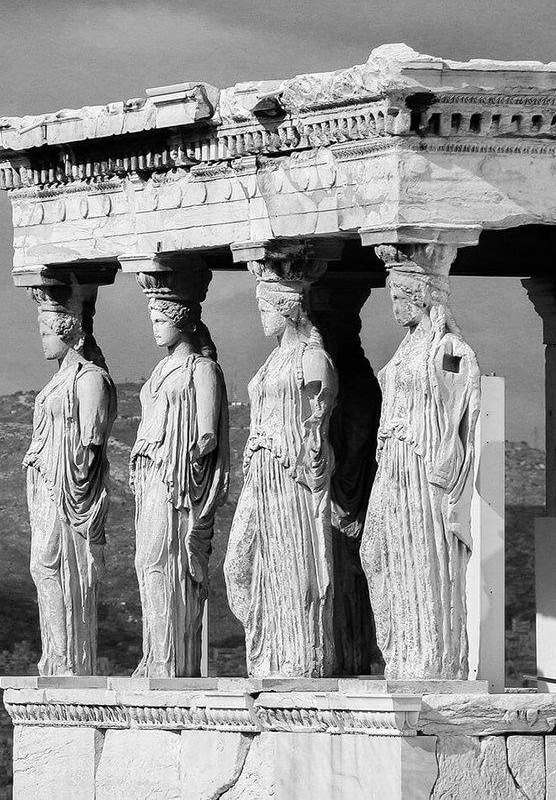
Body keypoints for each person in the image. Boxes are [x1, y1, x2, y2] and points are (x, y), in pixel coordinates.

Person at [360, 248, 480, 680]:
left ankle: (428, 660)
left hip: (421, 464)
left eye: (399, 297)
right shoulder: (407, 348)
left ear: (422, 297)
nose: (393, 306)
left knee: (421, 558)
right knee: (374, 552)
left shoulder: (446, 347)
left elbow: (465, 395)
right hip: (392, 463)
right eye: (391, 296)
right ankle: (403, 653)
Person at [225, 274, 338, 677]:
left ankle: (296, 658)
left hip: (289, 473)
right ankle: (266, 649)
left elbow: (319, 424)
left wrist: (309, 459)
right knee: (238, 565)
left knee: (292, 566)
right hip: (260, 472)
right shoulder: (272, 360)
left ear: (286, 309)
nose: (261, 319)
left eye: (265, 310)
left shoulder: (311, 359)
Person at [131, 271, 228, 678]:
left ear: (181, 319)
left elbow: (207, 432)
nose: (154, 328)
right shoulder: (159, 372)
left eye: (159, 320)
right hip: (152, 475)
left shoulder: (201, 370)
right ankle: (155, 654)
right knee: (145, 562)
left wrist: (186, 458)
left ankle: (171, 661)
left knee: (163, 561)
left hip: (178, 480)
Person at [23, 285, 116, 676]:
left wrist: (73, 479)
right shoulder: (59, 380)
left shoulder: (89, 378)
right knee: (41, 567)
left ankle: (68, 659)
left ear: (66, 330)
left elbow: (92, 440)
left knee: (50, 565)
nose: (42, 341)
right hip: (46, 483)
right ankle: (57, 656)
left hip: (69, 489)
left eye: (46, 333)